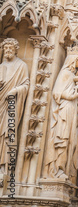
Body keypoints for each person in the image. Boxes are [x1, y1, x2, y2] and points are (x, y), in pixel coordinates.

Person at [44, 48, 78, 179]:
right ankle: (56, 169)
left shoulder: (72, 75)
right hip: (64, 110)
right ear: (73, 60)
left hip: (70, 109)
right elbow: (57, 93)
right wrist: (72, 95)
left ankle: (62, 169)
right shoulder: (66, 73)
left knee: (68, 141)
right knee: (62, 139)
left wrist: (76, 94)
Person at [0, 38, 29, 177]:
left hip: (11, 104)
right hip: (1, 102)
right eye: (6, 49)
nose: (8, 51)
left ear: (16, 49)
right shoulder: (1, 66)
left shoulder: (21, 66)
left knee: (7, 133)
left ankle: (4, 168)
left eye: (10, 48)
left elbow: (26, 85)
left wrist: (15, 90)